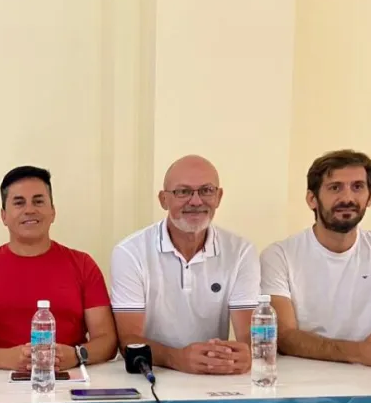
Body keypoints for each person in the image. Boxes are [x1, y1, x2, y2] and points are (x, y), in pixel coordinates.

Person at [260, 149, 371, 368]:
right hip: (298, 377)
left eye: (358, 187)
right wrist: (361, 352)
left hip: (367, 376)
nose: (347, 198)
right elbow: (284, 337)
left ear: (369, 197)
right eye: (335, 188)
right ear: (311, 199)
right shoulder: (279, 255)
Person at [0, 166, 118, 371]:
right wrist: (6, 359)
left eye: (38, 201)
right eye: (19, 203)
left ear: (53, 211)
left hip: (66, 381)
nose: (29, 210)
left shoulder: (83, 265)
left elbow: (107, 340)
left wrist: (76, 355)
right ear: (3, 216)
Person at [110, 155, 260, 375]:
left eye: (206, 190)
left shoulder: (241, 251)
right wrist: (177, 358)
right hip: (153, 373)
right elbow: (129, 342)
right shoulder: (130, 252)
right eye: (183, 192)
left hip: (214, 375)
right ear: (163, 199)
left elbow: (248, 336)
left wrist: (244, 354)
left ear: (218, 197)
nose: (196, 201)